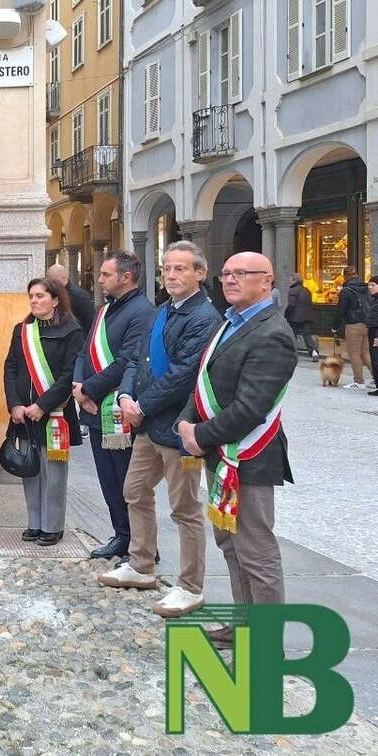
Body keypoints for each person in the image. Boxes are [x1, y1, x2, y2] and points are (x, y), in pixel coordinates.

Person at [176, 252, 297, 648]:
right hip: (219, 451)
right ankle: (242, 624)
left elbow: (250, 407)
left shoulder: (272, 333)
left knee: (256, 550)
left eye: (241, 274)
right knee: (230, 543)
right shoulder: (229, 322)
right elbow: (204, 378)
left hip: (249, 456)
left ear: (267, 281)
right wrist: (185, 420)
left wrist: (199, 435)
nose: (230, 280)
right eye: (226, 273)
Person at [99, 242, 221, 617]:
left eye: (180, 269)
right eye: (167, 268)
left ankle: (190, 586)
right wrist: (125, 396)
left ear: (200, 273)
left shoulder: (205, 317)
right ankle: (141, 565)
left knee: (184, 509)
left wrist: (143, 405)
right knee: (134, 491)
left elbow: (183, 373)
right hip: (147, 425)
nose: (171, 276)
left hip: (178, 429)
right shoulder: (161, 311)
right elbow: (138, 358)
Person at [73, 251, 156, 560]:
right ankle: (121, 535)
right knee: (108, 479)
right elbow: (84, 351)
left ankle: (139, 541)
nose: (99, 279)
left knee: (126, 481)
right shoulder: (105, 310)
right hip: (93, 406)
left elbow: (127, 361)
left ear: (126, 277)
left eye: (106, 274)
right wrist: (80, 388)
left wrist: (89, 390)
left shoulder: (142, 311)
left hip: (115, 410)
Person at [2, 278, 84, 547]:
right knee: (30, 470)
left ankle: (53, 526)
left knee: (54, 474)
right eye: (31, 296)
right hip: (24, 415)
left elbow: (68, 375)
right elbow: (10, 368)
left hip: (55, 415)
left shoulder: (72, 331)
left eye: (40, 296)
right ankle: (34, 523)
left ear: (56, 299)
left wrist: (43, 405)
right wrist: (15, 403)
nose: (35, 301)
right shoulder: (22, 330)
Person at [332, 266, 374, 389]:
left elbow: (340, 311)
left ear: (346, 276)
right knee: (365, 352)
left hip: (353, 325)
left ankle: (359, 381)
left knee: (354, 354)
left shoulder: (346, 290)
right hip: (366, 324)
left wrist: (335, 327)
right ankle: (375, 377)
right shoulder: (365, 287)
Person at [46, 263, 96, 335]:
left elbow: (91, 321)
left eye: (52, 280)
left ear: (63, 278)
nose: (49, 284)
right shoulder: (50, 292)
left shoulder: (79, 295)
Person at [283, 273, 320, 361]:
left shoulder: (292, 290)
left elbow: (292, 305)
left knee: (292, 335)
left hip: (295, 317)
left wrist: (286, 314)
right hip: (307, 316)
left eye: (290, 279)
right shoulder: (307, 290)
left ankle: (292, 353)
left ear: (294, 280)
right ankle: (314, 352)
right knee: (307, 335)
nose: (289, 281)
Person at [368, 276, 378, 397]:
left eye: (373, 285)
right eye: (369, 285)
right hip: (372, 331)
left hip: (376, 332)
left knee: (376, 361)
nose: (370, 288)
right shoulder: (373, 299)